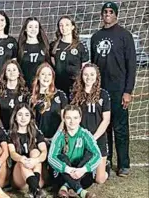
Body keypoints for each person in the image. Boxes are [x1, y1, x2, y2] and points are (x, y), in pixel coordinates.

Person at [91, 1, 136, 177]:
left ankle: (124, 163)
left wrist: (128, 91)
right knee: (104, 127)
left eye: (111, 11)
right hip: (101, 91)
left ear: (116, 14)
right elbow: (93, 67)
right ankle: (106, 160)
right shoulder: (96, 37)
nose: (107, 14)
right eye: (105, 11)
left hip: (119, 90)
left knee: (120, 128)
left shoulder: (125, 35)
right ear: (101, 15)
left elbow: (131, 66)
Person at [48, 104, 102, 198]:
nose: (72, 121)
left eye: (75, 118)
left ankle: (65, 187)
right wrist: (68, 169)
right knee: (61, 157)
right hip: (62, 174)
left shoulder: (85, 134)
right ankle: (81, 192)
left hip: (81, 173)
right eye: (68, 118)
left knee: (89, 154)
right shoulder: (59, 135)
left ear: (80, 119)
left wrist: (83, 170)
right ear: (63, 118)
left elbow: (98, 155)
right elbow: (51, 157)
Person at [71, 63, 111, 182]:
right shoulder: (75, 94)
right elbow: (71, 117)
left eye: (92, 74)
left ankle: (105, 167)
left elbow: (106, 120)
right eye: (86, 74)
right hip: (81, 138)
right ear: (81, 76)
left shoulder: (104, 94)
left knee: (100, 180)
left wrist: (93, 138)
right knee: (79, 174)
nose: (89, 77)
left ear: (97, 76)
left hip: (97, 138)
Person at [8, 103, 47, 198]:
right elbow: (12, 153)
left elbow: (44, 152)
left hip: (36, 175)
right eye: (20, 114)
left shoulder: (36, 133)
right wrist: (21, 159)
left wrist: (35, 160)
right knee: (22, 161)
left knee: (35, 152)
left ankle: (34, 188)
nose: (23, 118)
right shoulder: (10, 134)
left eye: (26, 115)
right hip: (19, 178)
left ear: (30, 117)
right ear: (15, 117)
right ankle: (36, 189)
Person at [50, 16, 89, 97]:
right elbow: (53, 63)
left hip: (75, 86)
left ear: (72, 27)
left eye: (67, 25)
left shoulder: (80, 46)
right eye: (61, 25)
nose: (64, 28)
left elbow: (84, 67)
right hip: (58, 85)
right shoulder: (53, 45)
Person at [30, 63, 68, 140]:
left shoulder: (60, 95)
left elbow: (65, 119)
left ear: (52, 78)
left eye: (49, 74)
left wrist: (55, 138)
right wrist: (40, 138)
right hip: (38, 140)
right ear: (38, 77)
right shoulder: (32, 97)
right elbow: (31, 121)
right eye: (43, 74)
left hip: (57, 139)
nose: (46, 77)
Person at [0, 60, 29, 131]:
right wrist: (3, 131)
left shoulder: (25, 92)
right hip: (2, 129)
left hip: (20, 130)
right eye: (9, 70)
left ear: (19, 73)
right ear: (5, 73)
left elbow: (27, 115)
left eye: (14, 70)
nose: (12, 72)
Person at [17, 17, 51, 89]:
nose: (33, 29)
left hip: (40, 87)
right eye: (30, 27)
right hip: (24, 86)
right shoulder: (20, 47)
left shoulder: (44, 46)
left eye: (36, 27)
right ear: (25, 29)